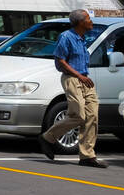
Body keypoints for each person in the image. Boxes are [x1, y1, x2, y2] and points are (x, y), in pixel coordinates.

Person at [40, 9, 105, 167]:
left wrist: (84, 77)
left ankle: (87, 156)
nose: (91, 21)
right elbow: (60, 61)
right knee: (79, 115)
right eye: (89, 19)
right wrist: (80, 76)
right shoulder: (66, 37)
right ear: (80, 22)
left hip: (85, 79)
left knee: (92, 116)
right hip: (72, 79)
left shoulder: (83, 38)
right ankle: (48, 137)